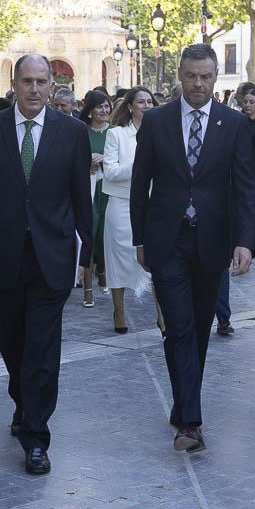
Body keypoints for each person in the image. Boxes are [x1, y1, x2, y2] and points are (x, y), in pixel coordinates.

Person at [0, 54, 93, 475]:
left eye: (42, 81)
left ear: (52, 85)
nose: (34, 89)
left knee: (42, 349)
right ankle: (22, 400)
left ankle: (36, 437)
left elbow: (80, 200)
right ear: (13, 84)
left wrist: (87, 257)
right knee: (12, 342)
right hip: (2, 260)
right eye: (27, 81)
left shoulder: (72, 133)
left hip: (52, 259)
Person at [130, 43, 255, 454]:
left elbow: (244, 187)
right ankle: (190, 422)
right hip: (168, 240)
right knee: (179, 327)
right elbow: (139, 184)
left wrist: (244, 241)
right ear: (180, 76)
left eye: (205, 76)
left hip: (212, 240)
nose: (198, 84)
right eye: (191, 76)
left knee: (200, 327)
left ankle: (184, 400)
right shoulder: (156, 121)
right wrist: (140, 239)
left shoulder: (233, 124)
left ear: (216, 77)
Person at [101, 88, 155, 334]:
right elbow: (110, 172)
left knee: (155, 259)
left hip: (152, 205)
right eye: (140, 102)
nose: (146, 105)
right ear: (130, 106)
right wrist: (140, 166)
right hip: (121, 204)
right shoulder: (116, 134)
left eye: (149, 101)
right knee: (118, 258)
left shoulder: (159, 132)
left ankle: (161, 313)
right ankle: (119, 310)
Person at [79, 89, 112, 307]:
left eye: (106, 106)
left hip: (109, 191)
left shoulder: (116, 132)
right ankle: (88, 290)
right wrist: (86, 161)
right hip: (87, 191)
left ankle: (104, 272)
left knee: (105, 237)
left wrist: (104, 158)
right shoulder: (80, 132)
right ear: (90, 110)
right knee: (89, 238)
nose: (104, 110)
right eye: (99, 106)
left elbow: (125, 158)